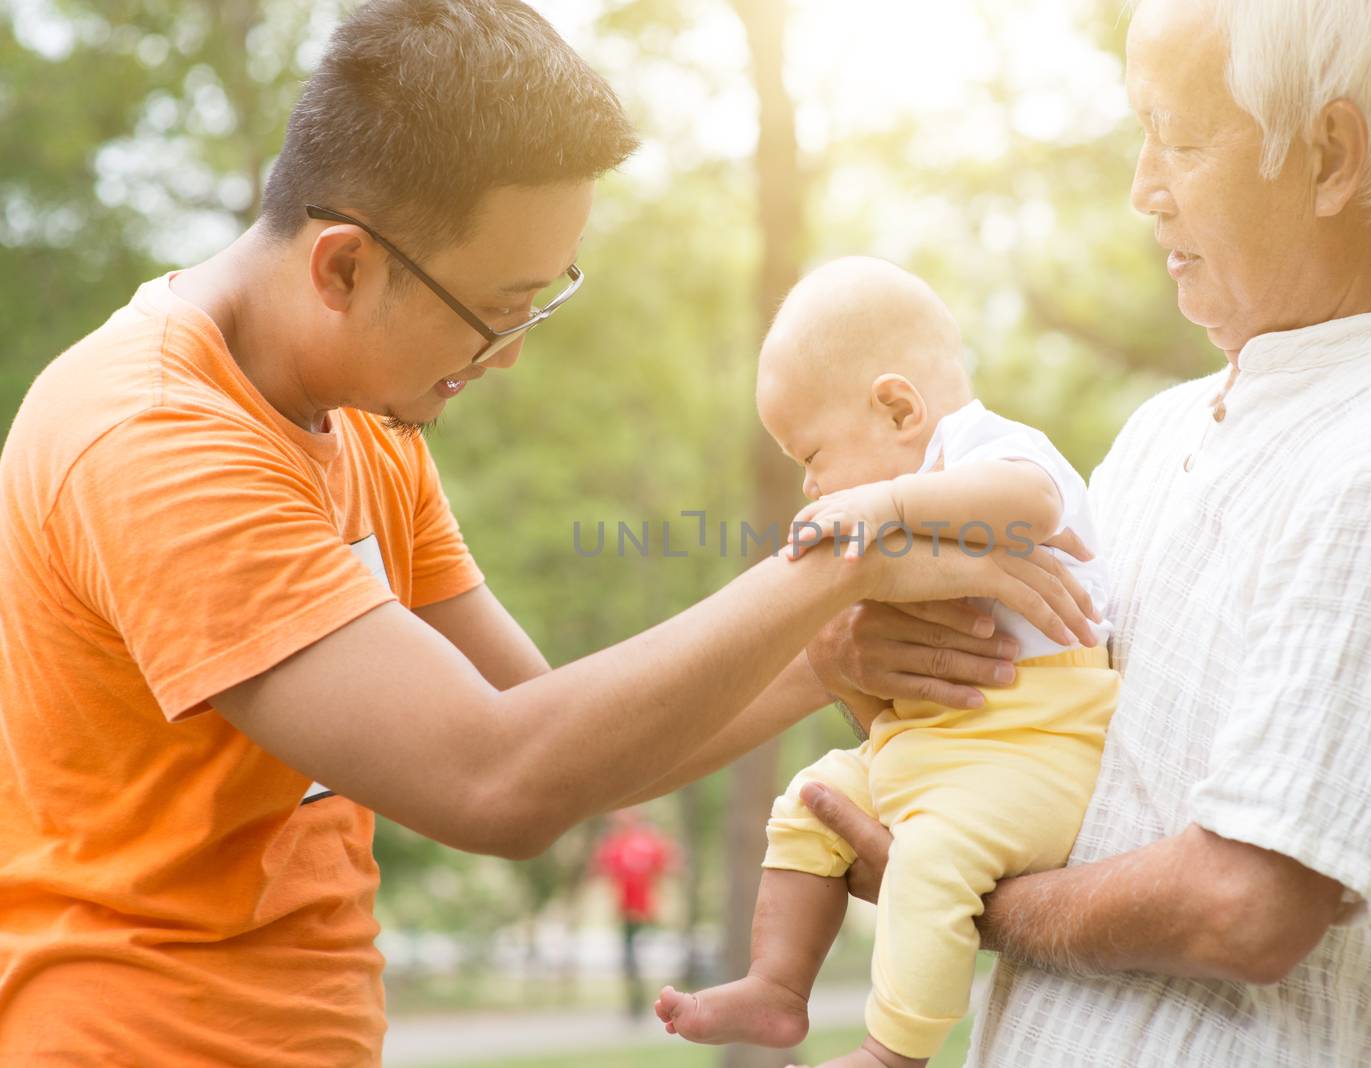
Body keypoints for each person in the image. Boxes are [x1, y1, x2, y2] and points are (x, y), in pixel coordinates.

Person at [0, 2, 1093, 1063]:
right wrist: (842, 557)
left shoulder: (368, 430)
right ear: (343, 265)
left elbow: (562, 745)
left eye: (542, 300)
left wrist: (827, 657)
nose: (512, 351)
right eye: (499, 306)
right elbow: (495, 784)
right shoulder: (153, 442)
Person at [792, 0, 1371, 1064]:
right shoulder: (1158, 435)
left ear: (1327, 153)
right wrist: (865, 654)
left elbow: (1247, 906)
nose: (1143, 188)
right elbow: (1045, 737)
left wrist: (952, 894)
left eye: (1178, 138)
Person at [654, 258, 1117, 1068]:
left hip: (1033, 747)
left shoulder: (991, 448)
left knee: (931, 861)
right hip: (940, 745)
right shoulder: (914, 504)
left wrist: (886, 507)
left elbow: (1033, 503)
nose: (810, 486)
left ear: (898, 405)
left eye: (814, 454)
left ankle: (893, 1053)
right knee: (809, 800)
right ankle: (776, 984)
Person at [593, 810, 676, 1019]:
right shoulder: (615, 844)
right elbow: (605, 872)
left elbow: (665, 866)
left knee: (643, 958)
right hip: (626, 912)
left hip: (645, 911)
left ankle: (651, 1001)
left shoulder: (645, 843)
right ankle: (636, 1002)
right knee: (630, 961)